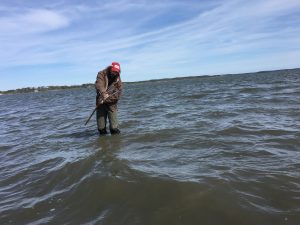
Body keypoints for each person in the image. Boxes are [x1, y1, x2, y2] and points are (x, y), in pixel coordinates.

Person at [95, 62, 123, 135]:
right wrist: (104, 94)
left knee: (114, 128)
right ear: (110, 68)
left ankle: (116, 144)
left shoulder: (118, 81)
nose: (114, 73)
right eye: (113, 71)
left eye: (116, 72)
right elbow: (99, 85)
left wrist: (106, 99)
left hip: (112, 105)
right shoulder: (101, 74)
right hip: (100, 103)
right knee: (101, 129)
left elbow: (117, 96)